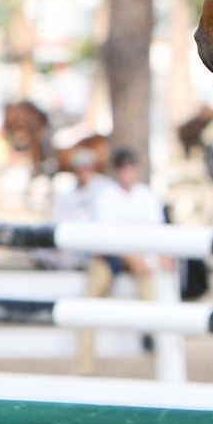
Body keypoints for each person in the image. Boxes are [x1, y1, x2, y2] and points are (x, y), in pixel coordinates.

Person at [75, 148, 165, 375]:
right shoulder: (106, 196)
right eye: (123, 168)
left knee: (155, 300)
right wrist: (134, 258)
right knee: (89, 302)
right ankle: (83, 365)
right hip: (111, 256)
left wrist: (162, 254)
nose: (127, 173)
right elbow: (108, 237)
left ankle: (161, 354)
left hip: (140, 256)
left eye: (130, 168)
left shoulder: (146, 195)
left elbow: (158, 229)